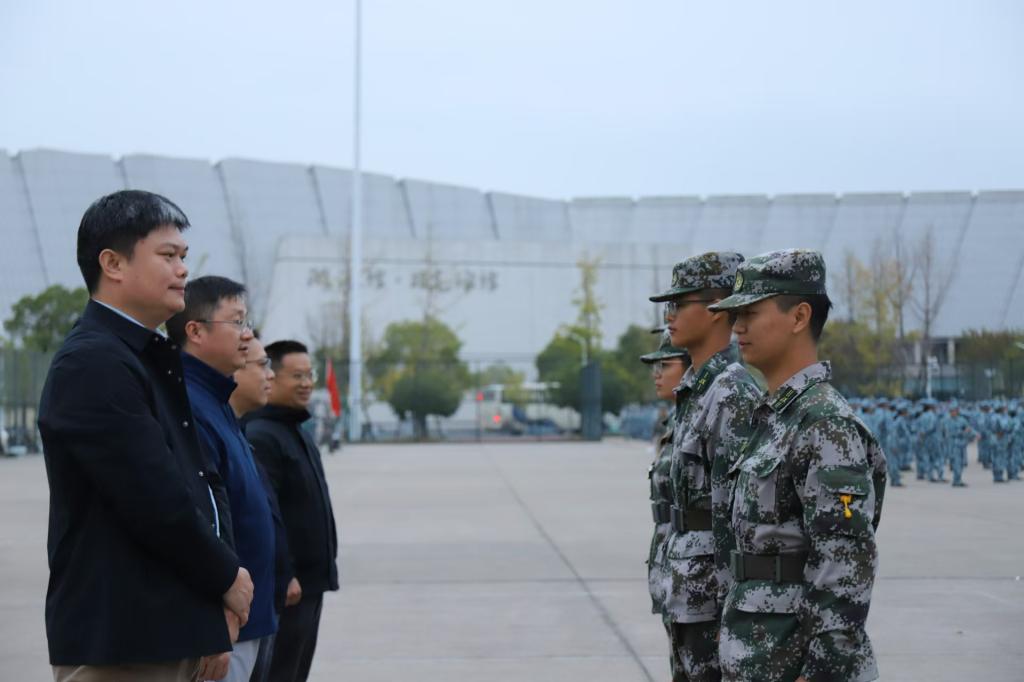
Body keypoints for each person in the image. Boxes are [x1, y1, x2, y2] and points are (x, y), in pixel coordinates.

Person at [38, 190, 253, 682]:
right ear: (112, 263)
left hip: (167, 631)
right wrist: (225, 578)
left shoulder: (143, 357)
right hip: (124, 641)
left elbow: (200, 483)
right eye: (168, 255)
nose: (183, 270)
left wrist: (216, 598)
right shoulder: (93, 363)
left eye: (184, 256)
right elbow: (155, 499)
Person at [710, 249, 886, 682]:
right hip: (759, 653)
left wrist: (823, 670)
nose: (737, 327)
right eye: (736, 315)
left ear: (799, 316)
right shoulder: (776, 416)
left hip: (795, 662)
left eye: (750, 312)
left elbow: (845, 561)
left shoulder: (824, 422)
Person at [649, 252, 760, 682]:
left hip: (712, 601)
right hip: (687, 592)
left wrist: (736, 610)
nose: (670, 316)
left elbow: (736, 515)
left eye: (680, 304)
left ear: (716, 309)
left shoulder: (731, 392)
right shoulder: (699, 388)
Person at [166, 277, 279, 682]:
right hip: (225, 623)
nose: (248, 335)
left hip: (246, 615)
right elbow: (201, 517)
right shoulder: (188, 407)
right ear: (195, 331)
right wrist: (215, 613)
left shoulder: (217, 402)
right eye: (237, 322)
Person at [243, 340, 339, 682]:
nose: (306, 383)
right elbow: (266, 513)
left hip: (311, 583)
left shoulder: (297, 432)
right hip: (289, 589)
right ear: (272, 376)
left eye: (309, 375)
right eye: (296, 375)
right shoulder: (262, 436)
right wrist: (284, 574)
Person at [230, 337, 292, 682]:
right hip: (235, 612)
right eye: (262, 365)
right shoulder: (211, 426)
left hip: (261, 604)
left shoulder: (237, 430)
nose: (270, 375)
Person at [639, 330, 690, 673]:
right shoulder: (676, 420)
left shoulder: (704, 415)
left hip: (693, 577)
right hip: (674, 563)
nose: (657, 374)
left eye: (666, 365)